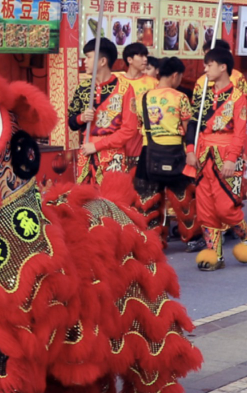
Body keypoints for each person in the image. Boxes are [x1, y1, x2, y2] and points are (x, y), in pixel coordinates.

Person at [186, 47, 247, 271]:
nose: (205, 68)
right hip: (202, 155)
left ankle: (245, 234)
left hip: (226, 156)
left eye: (209, 64)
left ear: (222, 67)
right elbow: (192, 125)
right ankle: (215, 255)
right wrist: (189, 150)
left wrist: (232, 158)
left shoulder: (238, 97)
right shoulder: (202, 94)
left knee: (226, 207)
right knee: (205, 207)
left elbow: (240, 132)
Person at [133, 57, 193, 245]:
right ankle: (191, 238)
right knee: (184, 200)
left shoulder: (143, 98)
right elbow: (186, 129)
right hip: (175, 153)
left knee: (148, 202)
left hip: (148, 153)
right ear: (175, 75)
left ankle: (152, 241)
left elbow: (140, 126)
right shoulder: (180, 97)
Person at [67, 38, 139, 184]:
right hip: (87, 151)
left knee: (112, 200)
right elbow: (72, 122)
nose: (84, 61)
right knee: (84, 200)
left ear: (102, 62)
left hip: (113, 153)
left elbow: (129, 129)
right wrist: (82, 118)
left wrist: (97, 146)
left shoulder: (124, 88)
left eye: (88, 57)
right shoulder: (83, 88)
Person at [117, 43, 158, 172]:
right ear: (129, 60)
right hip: (121, 135)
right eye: (140, 56)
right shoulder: (117, 82)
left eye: (146, 55)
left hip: (144, 137)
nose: (145, 59)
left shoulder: (153, 83)